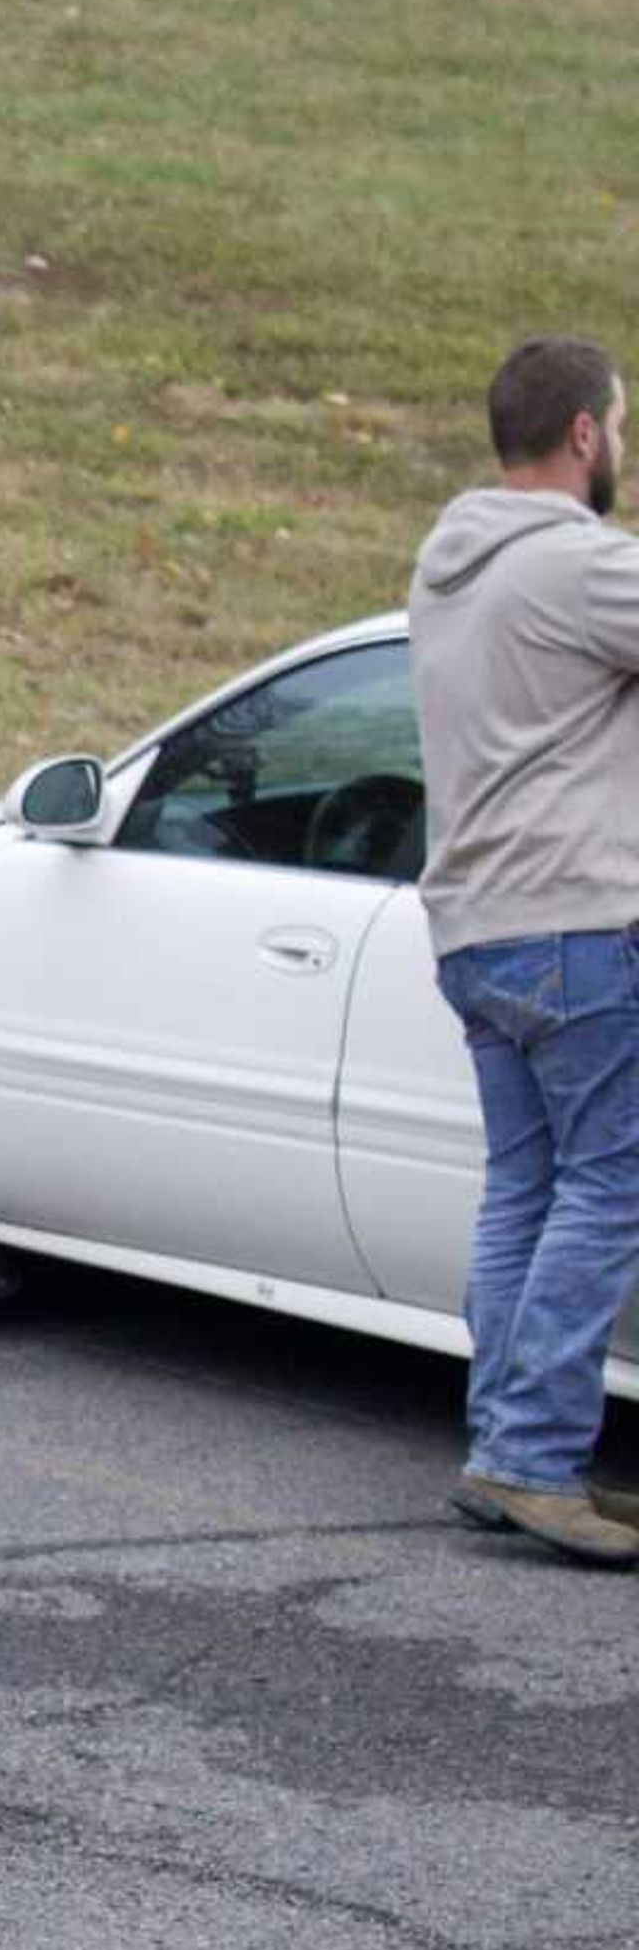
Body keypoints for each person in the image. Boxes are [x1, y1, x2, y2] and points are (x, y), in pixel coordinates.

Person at [409, 336, 639, 1565]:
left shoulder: (448, 566)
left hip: (478, 929)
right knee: (609, 1188)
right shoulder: (576, 566)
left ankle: (502, 1442)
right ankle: (531, 1458)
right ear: (588, 436)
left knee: (526, 1190)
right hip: (577, 927)